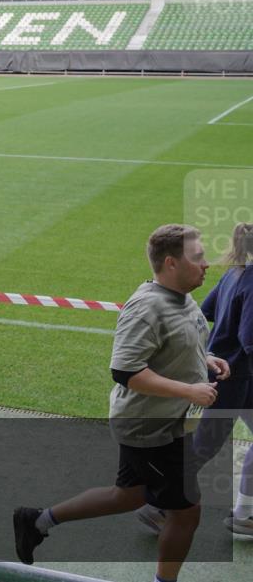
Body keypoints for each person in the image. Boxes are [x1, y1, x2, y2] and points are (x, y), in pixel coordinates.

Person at [14, 224, 229, 582]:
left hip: (169, 421)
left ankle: (37, 520)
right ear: (172, 263)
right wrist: (189, 391)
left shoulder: (183, 296)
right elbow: (126, 371)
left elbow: (178, 342)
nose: (207, 264)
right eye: (198, 257)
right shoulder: (147, 307)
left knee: (128, 495)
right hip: (151, 427)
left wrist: (205, 360)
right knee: (187, 511)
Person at [135, 223, 253, 537]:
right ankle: (157, 506)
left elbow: (208, 308)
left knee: (205, 445)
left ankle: (245, 514)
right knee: (204, 446)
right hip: (232, 378)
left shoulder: (235, 273)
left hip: (232, 375)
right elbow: (249, 339)